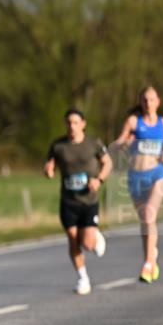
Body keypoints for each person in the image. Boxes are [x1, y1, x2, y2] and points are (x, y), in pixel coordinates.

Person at [44, 108, 112, 295]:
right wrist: (49, 169)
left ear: (83, 124)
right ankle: (83, 278)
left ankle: (95, 236)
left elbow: (108, 163)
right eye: (68, 123)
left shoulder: (93, 143)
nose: (71, 126)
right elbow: (50, 163)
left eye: (75, 122)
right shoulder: (58, 146)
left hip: (89, 201)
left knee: (88, 244)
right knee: (73, 240)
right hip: (69, 201)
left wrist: (99, 180)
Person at [112, 86, 163, 283]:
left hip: (158, 173)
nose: (149, 103)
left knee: (149, 214)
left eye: (152, 99)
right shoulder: (133, 122)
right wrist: (121, 144)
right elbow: (121, 140)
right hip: (135, 176)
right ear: (141, 102)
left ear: (158, 101)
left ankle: (148, 263)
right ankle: (151, 257)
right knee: (146, 222)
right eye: (145, 100)